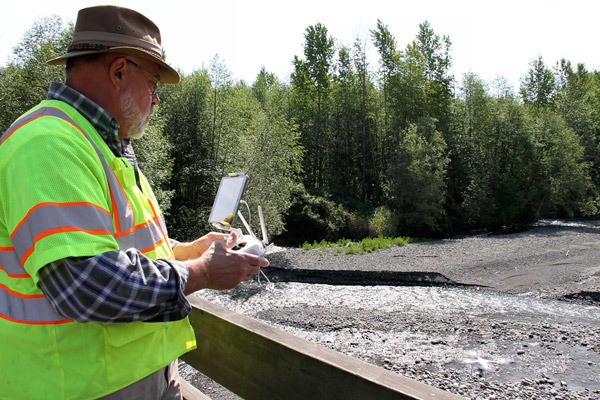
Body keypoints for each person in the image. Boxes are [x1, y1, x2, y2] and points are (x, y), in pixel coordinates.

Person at [0, 5, 268, 400]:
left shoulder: (101, 144)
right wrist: (202, 272)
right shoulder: (49, 144)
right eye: (154, 84)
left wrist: (187, 250)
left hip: (140, 379)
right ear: (119, 71)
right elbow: (87, 283)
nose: (156, 100)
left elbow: (124, 247)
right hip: (79, 387)